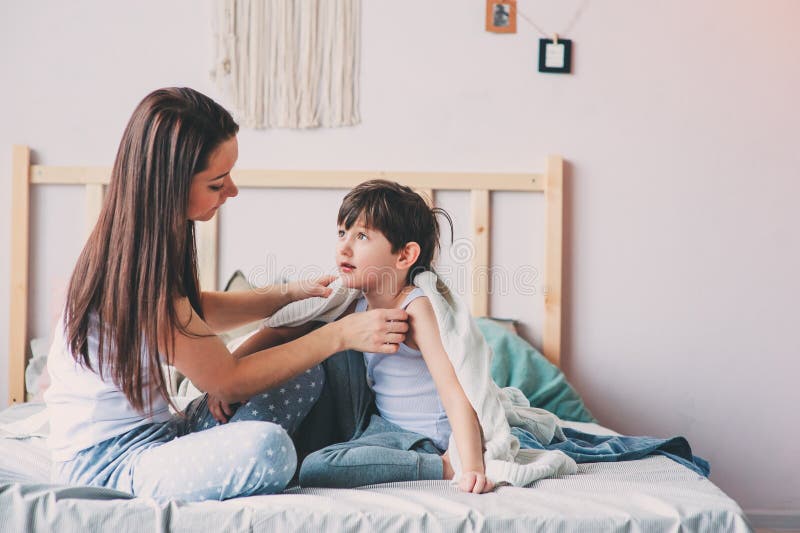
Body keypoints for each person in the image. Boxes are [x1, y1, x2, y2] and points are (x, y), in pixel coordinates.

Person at [44, 88, 409, 503]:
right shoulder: (125, 277)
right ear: (170, 186)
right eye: (217, 183)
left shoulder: (150, 242)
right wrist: (339, 335)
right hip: (111, 465)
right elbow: (229, 380)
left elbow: (197, 310)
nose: (232, 191)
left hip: (163, 432)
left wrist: (287, 294)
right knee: (268, 449)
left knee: (301, 373)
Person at [226, 180, 495, 494]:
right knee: (318, 330)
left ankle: (442, 466)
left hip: (420, 439)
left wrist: (470, 464)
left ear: (405, 255)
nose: (344, 246)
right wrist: (230, 373)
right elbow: (284, 329)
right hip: (377, 421)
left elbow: (454, 388)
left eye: (362, 236)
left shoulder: (417, 308)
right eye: (342, 233)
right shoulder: (355, 302)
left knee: (315, 468)